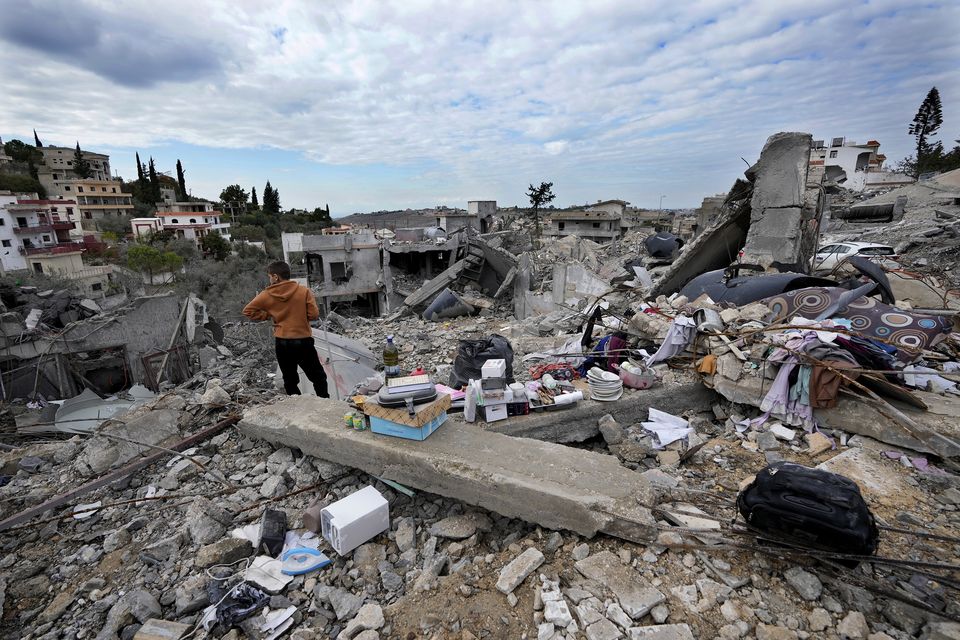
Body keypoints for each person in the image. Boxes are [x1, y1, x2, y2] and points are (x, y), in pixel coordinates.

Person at [243, 261, 329, 398]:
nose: (270, 279)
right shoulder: (303, 291)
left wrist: (268, 314)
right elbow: (314, 315)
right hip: (303, 341)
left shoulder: (266, 295)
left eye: (270, 276)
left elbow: (248, 311)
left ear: (276, 277)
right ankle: (325, 403)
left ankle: (297, 406)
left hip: (282, 343)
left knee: (290, 379)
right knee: (318, 376)